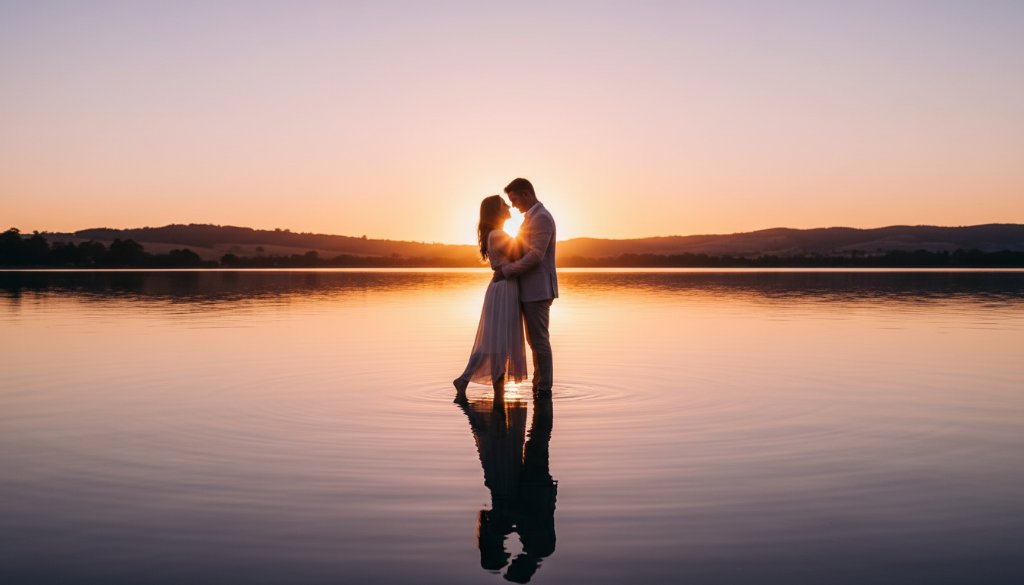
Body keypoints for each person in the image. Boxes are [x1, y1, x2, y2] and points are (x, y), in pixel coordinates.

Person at [453, 195, 529, 398]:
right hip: (503, 289)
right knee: (496, 342)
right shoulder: (497, 235)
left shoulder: (498, 234)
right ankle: (475, 383)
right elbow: (521, 254)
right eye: (504, 204)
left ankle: (489, 390)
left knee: (498, 342)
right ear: (497, 211)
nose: (509, 207)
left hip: (505, 288)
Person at [493, 178, 558, 396]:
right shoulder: (530, 218)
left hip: (538, 290)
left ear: (526, 194)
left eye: (514, 199)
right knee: (534, 341)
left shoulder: (541, 218)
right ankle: (539, 386)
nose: (513, 205)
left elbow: (536, 256)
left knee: (539, 340)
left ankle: (544, 388)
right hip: (528, 290)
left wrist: (507, 271)